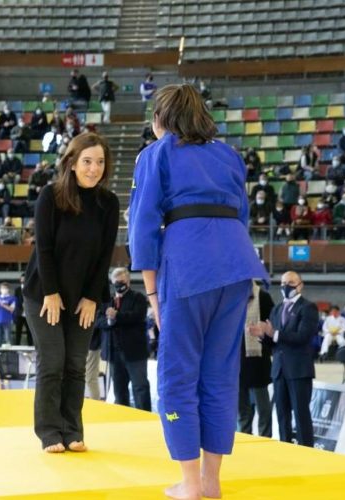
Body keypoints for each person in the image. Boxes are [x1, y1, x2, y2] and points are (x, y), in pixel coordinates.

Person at [129, 84, 268, 499]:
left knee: (177, 374)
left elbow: (143, 226)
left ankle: (189, 485)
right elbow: (242, 213)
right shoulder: (227, 154)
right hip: (237, 263)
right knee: (221, 373)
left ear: (160, 120)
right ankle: (211, 481)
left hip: (188, 262)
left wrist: (152, 295)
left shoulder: (157, 153)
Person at [23, 132, 119, 454]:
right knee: (53, 362)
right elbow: (45, 250)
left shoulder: (109, 203)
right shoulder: (51, 196)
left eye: (100, 162)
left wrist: (92, 297)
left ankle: (72, 429)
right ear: (72, 163)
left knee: (76, 364)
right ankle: (50, 432)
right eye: (87, 161)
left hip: (83, 297)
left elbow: (105, 255)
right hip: (44, 293)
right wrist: (51, 293)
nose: (94, 169)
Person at [250, 271, 318, 449]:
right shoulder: (277, 309)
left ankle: (306, 451)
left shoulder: (308, 308)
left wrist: (274, 333)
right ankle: (285, 449)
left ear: (300, 285)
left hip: (299, 370)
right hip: (279, 370)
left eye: (290, 282)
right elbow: (274, 343)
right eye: (283, 282)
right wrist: (263, 336)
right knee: (281, 414)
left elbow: (303, 337)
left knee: (301, 414)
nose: (286, 286)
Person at [95, 267, 151, 411]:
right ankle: (124, 417)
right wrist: (109, 320)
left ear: (128, 281)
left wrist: (116, 316)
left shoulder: (138, 298)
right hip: (113, 352)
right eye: (116, 282)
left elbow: (137, 316)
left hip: (134, 352)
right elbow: (98, 320)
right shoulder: (107, 301)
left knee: (140, 387)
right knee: (119, 389)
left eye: (122, 281)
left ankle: (144, 418)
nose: (119, 285)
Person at [238, 282, 274, 438]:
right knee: (241, 408)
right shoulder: (231, 298)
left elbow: (272, 327)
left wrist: (263, 331)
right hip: (236, 360)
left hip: (258, 359)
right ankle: (244, 437)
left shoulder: (263, 297)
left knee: (263, 408)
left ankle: (265, 438)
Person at [0, 283, 16, 348]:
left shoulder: (12, 298)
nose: (4, 290)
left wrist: (3, 305)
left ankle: (9, 353)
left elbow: (12, 309)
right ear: (0, 289)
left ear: (8, 289)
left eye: (5, 288)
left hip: (7, 320)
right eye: (2, 288)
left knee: (8, 338)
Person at [13, 274, 32, 346]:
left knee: (30, 331)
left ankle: (30, 346)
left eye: (25, 279)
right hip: (20, 313)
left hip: (28, 314)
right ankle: (17, 345)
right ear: (20, 280)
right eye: (22, 279)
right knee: (18, 331)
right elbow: (16, 301)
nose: (23, 280)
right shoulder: (17, 289)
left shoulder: (30, 288)